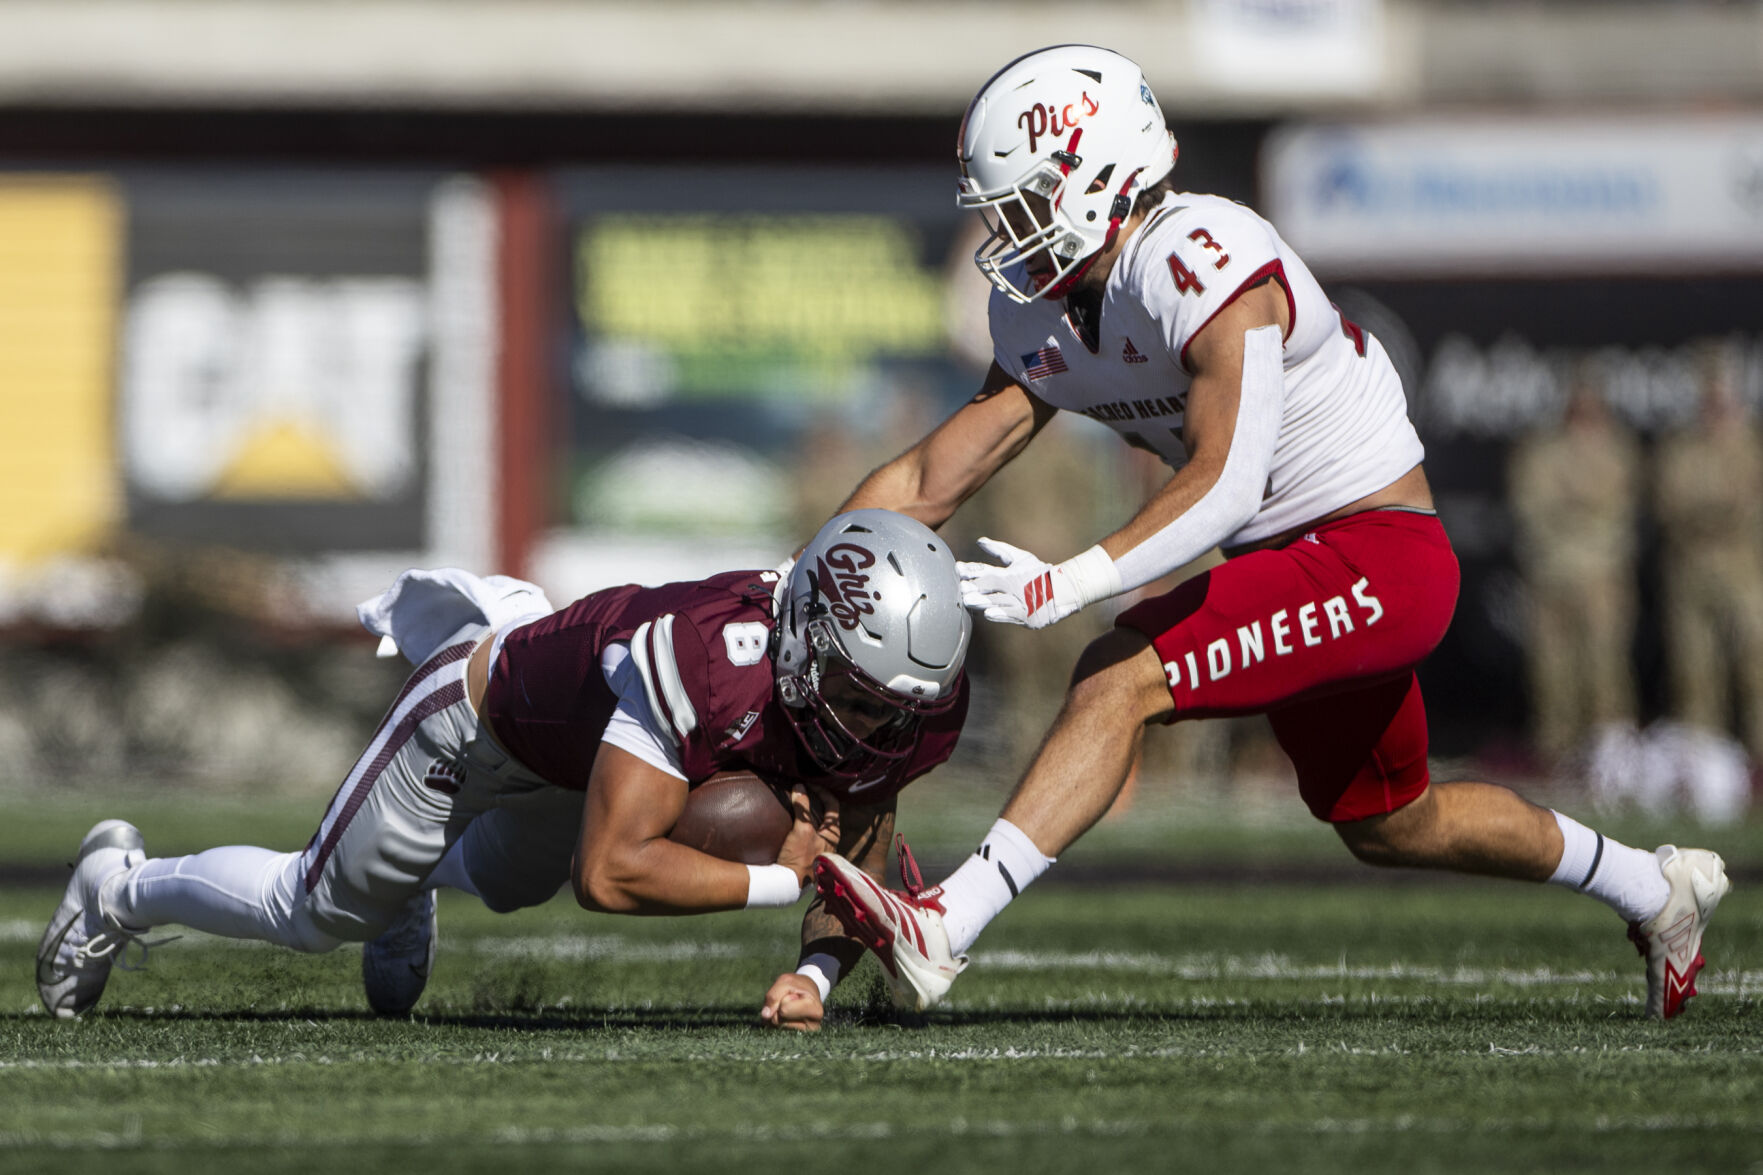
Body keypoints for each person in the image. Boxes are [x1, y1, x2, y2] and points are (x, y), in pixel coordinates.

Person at [809, 44, 1729, 1021]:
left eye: (1027, 201)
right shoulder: (1046, 312)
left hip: (1374, 552)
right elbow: (927, 477)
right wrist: (799, 573)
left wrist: (1070, 579)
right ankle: (1653, 886)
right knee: (1390, 820)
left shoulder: (1198, 256)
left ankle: (944, 924)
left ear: (1098, 174)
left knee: (1115, 674)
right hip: (1294, 564)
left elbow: (1225, 481)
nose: (1008, 232)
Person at [37, 509, 971, 1032]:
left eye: (891, 706)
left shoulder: (899, 698)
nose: (875, 726)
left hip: (577, 749)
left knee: (506, 883)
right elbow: (609, 874)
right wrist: (779, 878)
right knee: (311, 909)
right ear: (804, 639)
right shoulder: (704, 662)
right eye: (856, 696)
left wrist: (814, 974)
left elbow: (859, 845)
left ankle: (409, 880)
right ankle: (115, 887)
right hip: (473, 722)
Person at [1508, 369, 1642, 763]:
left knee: (1605, 667)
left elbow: (1619, 510)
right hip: (1551, 572)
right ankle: (1557, 754)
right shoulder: (1541, 450)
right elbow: (1531, 506)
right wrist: (1580, 509)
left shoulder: (1620, 449)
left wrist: (1576, 506)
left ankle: (1611, 755)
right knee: (1551, 670)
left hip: (1602, 574)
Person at [1654, 341, 1763, 761]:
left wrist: (1713, 512)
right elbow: (1671, 504)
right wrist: (1716, 512)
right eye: (1708, 389)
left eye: (1722, 388)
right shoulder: (1680, 448)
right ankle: (1705, 760)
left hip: (1745, 572)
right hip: (1691, 572)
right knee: (1696, 673)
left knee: (1756, 668)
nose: (1715, 398)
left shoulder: (1752, 445)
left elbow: (1746, 506)